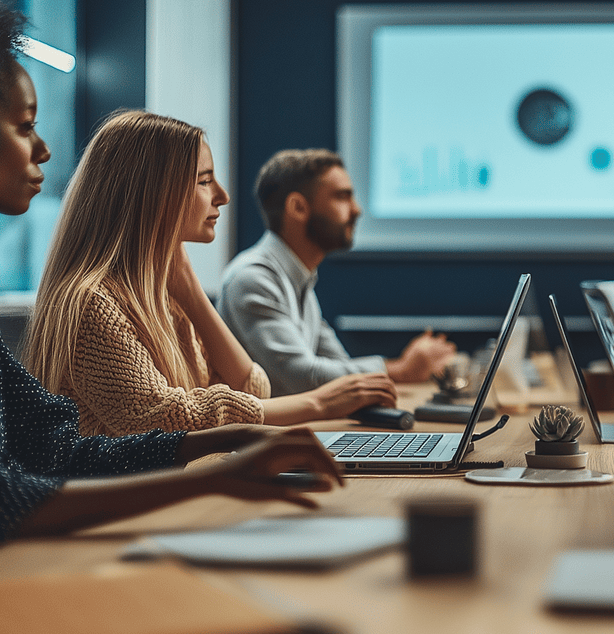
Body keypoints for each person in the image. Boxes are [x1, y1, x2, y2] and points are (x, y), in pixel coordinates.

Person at [0, 0, 342, 577]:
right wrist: (212, 475)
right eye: (24, 128)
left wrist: (216, 444)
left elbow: (51, 447)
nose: (44, 150)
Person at [24, 114, 397, 437]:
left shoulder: (168, 299)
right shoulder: (92, 302)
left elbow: (253, 387)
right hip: (118, 495)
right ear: (153, 195)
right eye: (204, 181)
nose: (222, 195)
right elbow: (162, 418)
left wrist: (192, 294)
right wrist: (317, 404)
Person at [219, 149, 455, 394]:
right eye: (342, 197)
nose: (356, 210)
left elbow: (339, 367)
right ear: (298, 207)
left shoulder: (299, 281)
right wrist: (403, 370)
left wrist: (402, 368)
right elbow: (302, 376)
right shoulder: (252, 279)